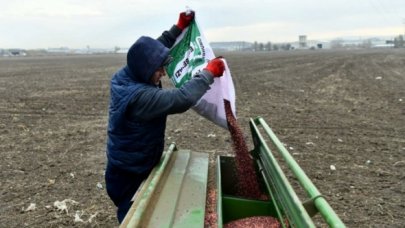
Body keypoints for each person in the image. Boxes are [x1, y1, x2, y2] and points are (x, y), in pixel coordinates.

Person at [105, 11, 226, 223]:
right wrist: (208, 73)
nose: (163, 72)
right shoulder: (139, 97)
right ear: (146, 69)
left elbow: (152, 50)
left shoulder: (130, 72)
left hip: (133, 164)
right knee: (134, 218)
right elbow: (181, 99)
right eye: (159, 68)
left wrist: (178, 27)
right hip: (129, 174)